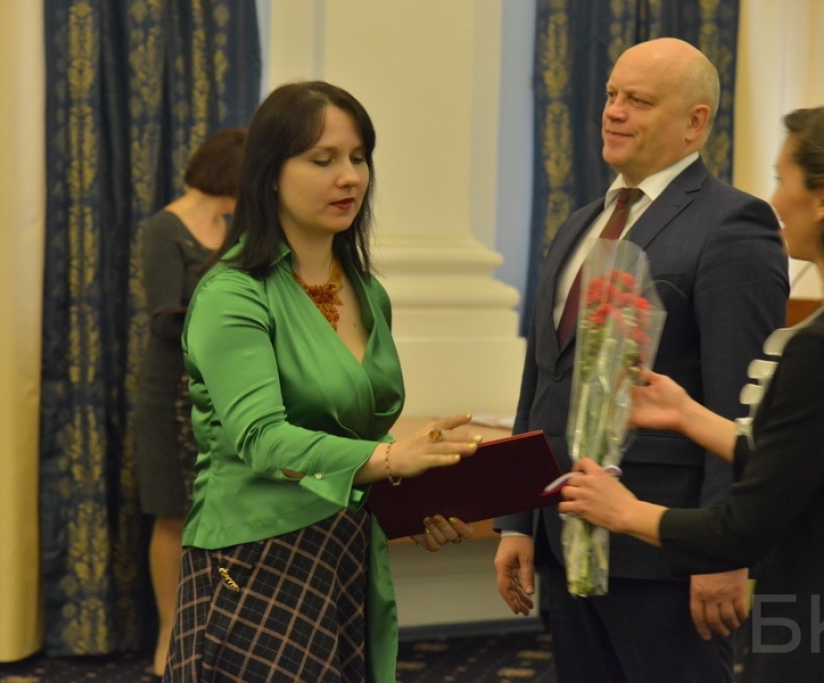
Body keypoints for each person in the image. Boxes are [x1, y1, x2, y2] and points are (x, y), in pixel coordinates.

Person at [559, 103, 824, 682]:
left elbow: (742, 527)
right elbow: (813, 463)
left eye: (783, 179)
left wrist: (624, 511)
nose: (775, 199)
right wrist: (690, 416)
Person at [494, 37, 789, 683]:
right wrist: (517, 520)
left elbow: (739, 403)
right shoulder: (580, 222)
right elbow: (541, 379)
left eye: (639, 100)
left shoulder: (733, 224)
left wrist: (724, 548)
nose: (614, 111)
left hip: (665, 547)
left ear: (695, 121)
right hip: (563, 525)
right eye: (611, 95)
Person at [164, 81, 479, 683]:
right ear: (269, 175)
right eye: (323, 159)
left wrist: (416, 499)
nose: (350, 177)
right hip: (254, 555)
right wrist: (392, 458)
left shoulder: (367, 290)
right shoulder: (233, 294)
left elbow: (354, 437)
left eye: (359, 158)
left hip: (346, 548)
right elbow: (262, 440)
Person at [132, 128, 247, 676]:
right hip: (169, 393)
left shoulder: (231, 228)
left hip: (220, 390)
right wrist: (230, 325)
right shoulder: (163, 228)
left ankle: (213, 637)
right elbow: (162, 320)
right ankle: (168, 636)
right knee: (173, 514)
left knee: (220, 512)